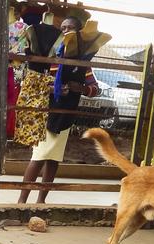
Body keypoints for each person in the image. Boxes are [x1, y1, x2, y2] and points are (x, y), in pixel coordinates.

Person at [18, 16, 99, 204]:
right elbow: (36, 83)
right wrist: (53, 87)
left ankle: (40, 201)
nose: (65, 31)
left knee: (53, 159)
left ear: (79, 34)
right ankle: (22, 201)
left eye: (70, 27)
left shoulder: (82, 62)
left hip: (66, 116)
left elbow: (94, 88)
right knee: (39, 156)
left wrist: (82, 89)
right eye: (63, 28)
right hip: (48, 113)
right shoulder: (51, 56)